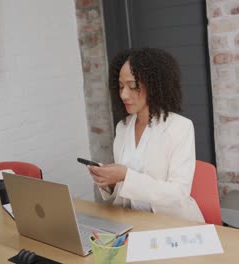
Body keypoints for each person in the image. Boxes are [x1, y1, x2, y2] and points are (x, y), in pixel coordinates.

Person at [87, 47, 204, 223]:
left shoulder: (180, 127)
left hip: (172, 223)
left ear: (154, 85)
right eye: (120, 86)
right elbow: (124, 193)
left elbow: (178, 193)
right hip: (133, 221)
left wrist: (126, 176)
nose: (123, 94)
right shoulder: (123, 127)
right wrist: (110, 182)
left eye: (133, 86)